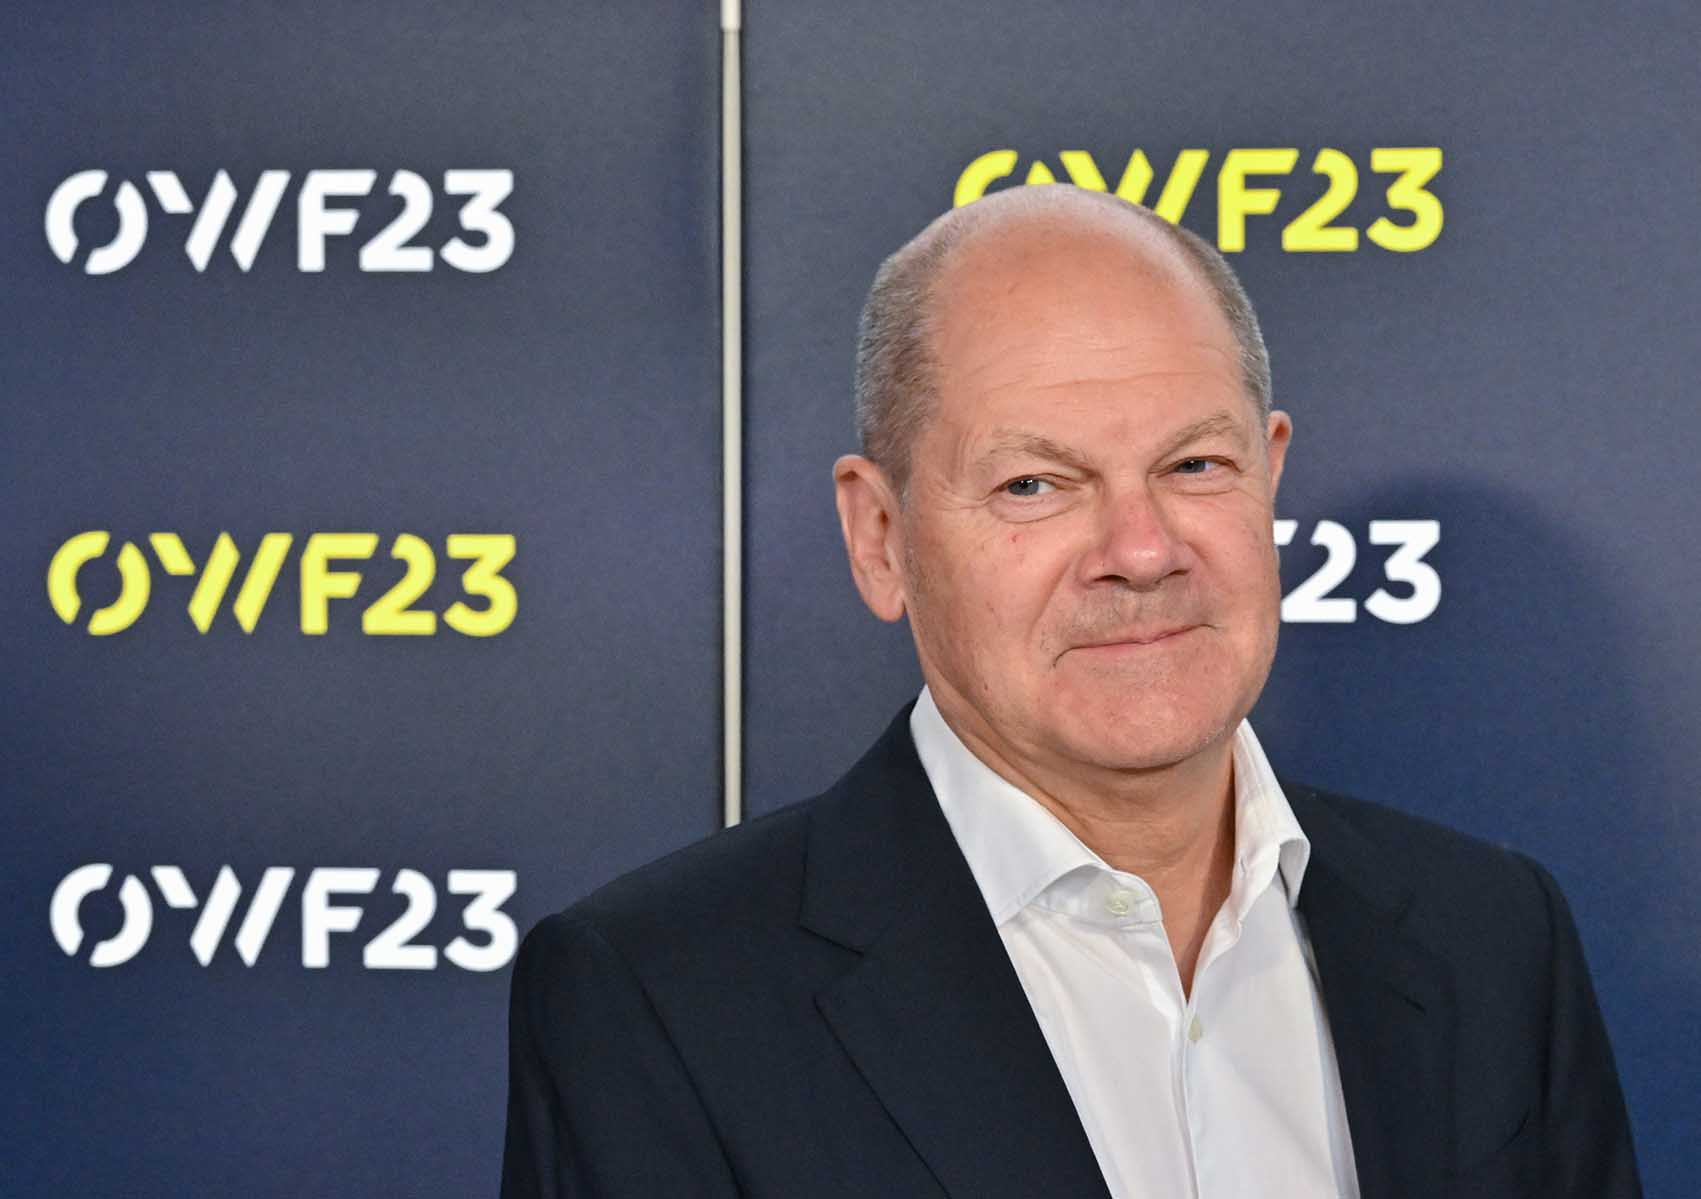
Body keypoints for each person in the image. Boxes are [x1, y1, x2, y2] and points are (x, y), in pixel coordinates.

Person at [501, 186, 1641, 1198]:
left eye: (1195, 465)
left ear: (1271, 473)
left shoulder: (1493, 937)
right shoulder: (660, 1000)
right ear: (880, 535)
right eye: (1034, 484)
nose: (1141, 550)